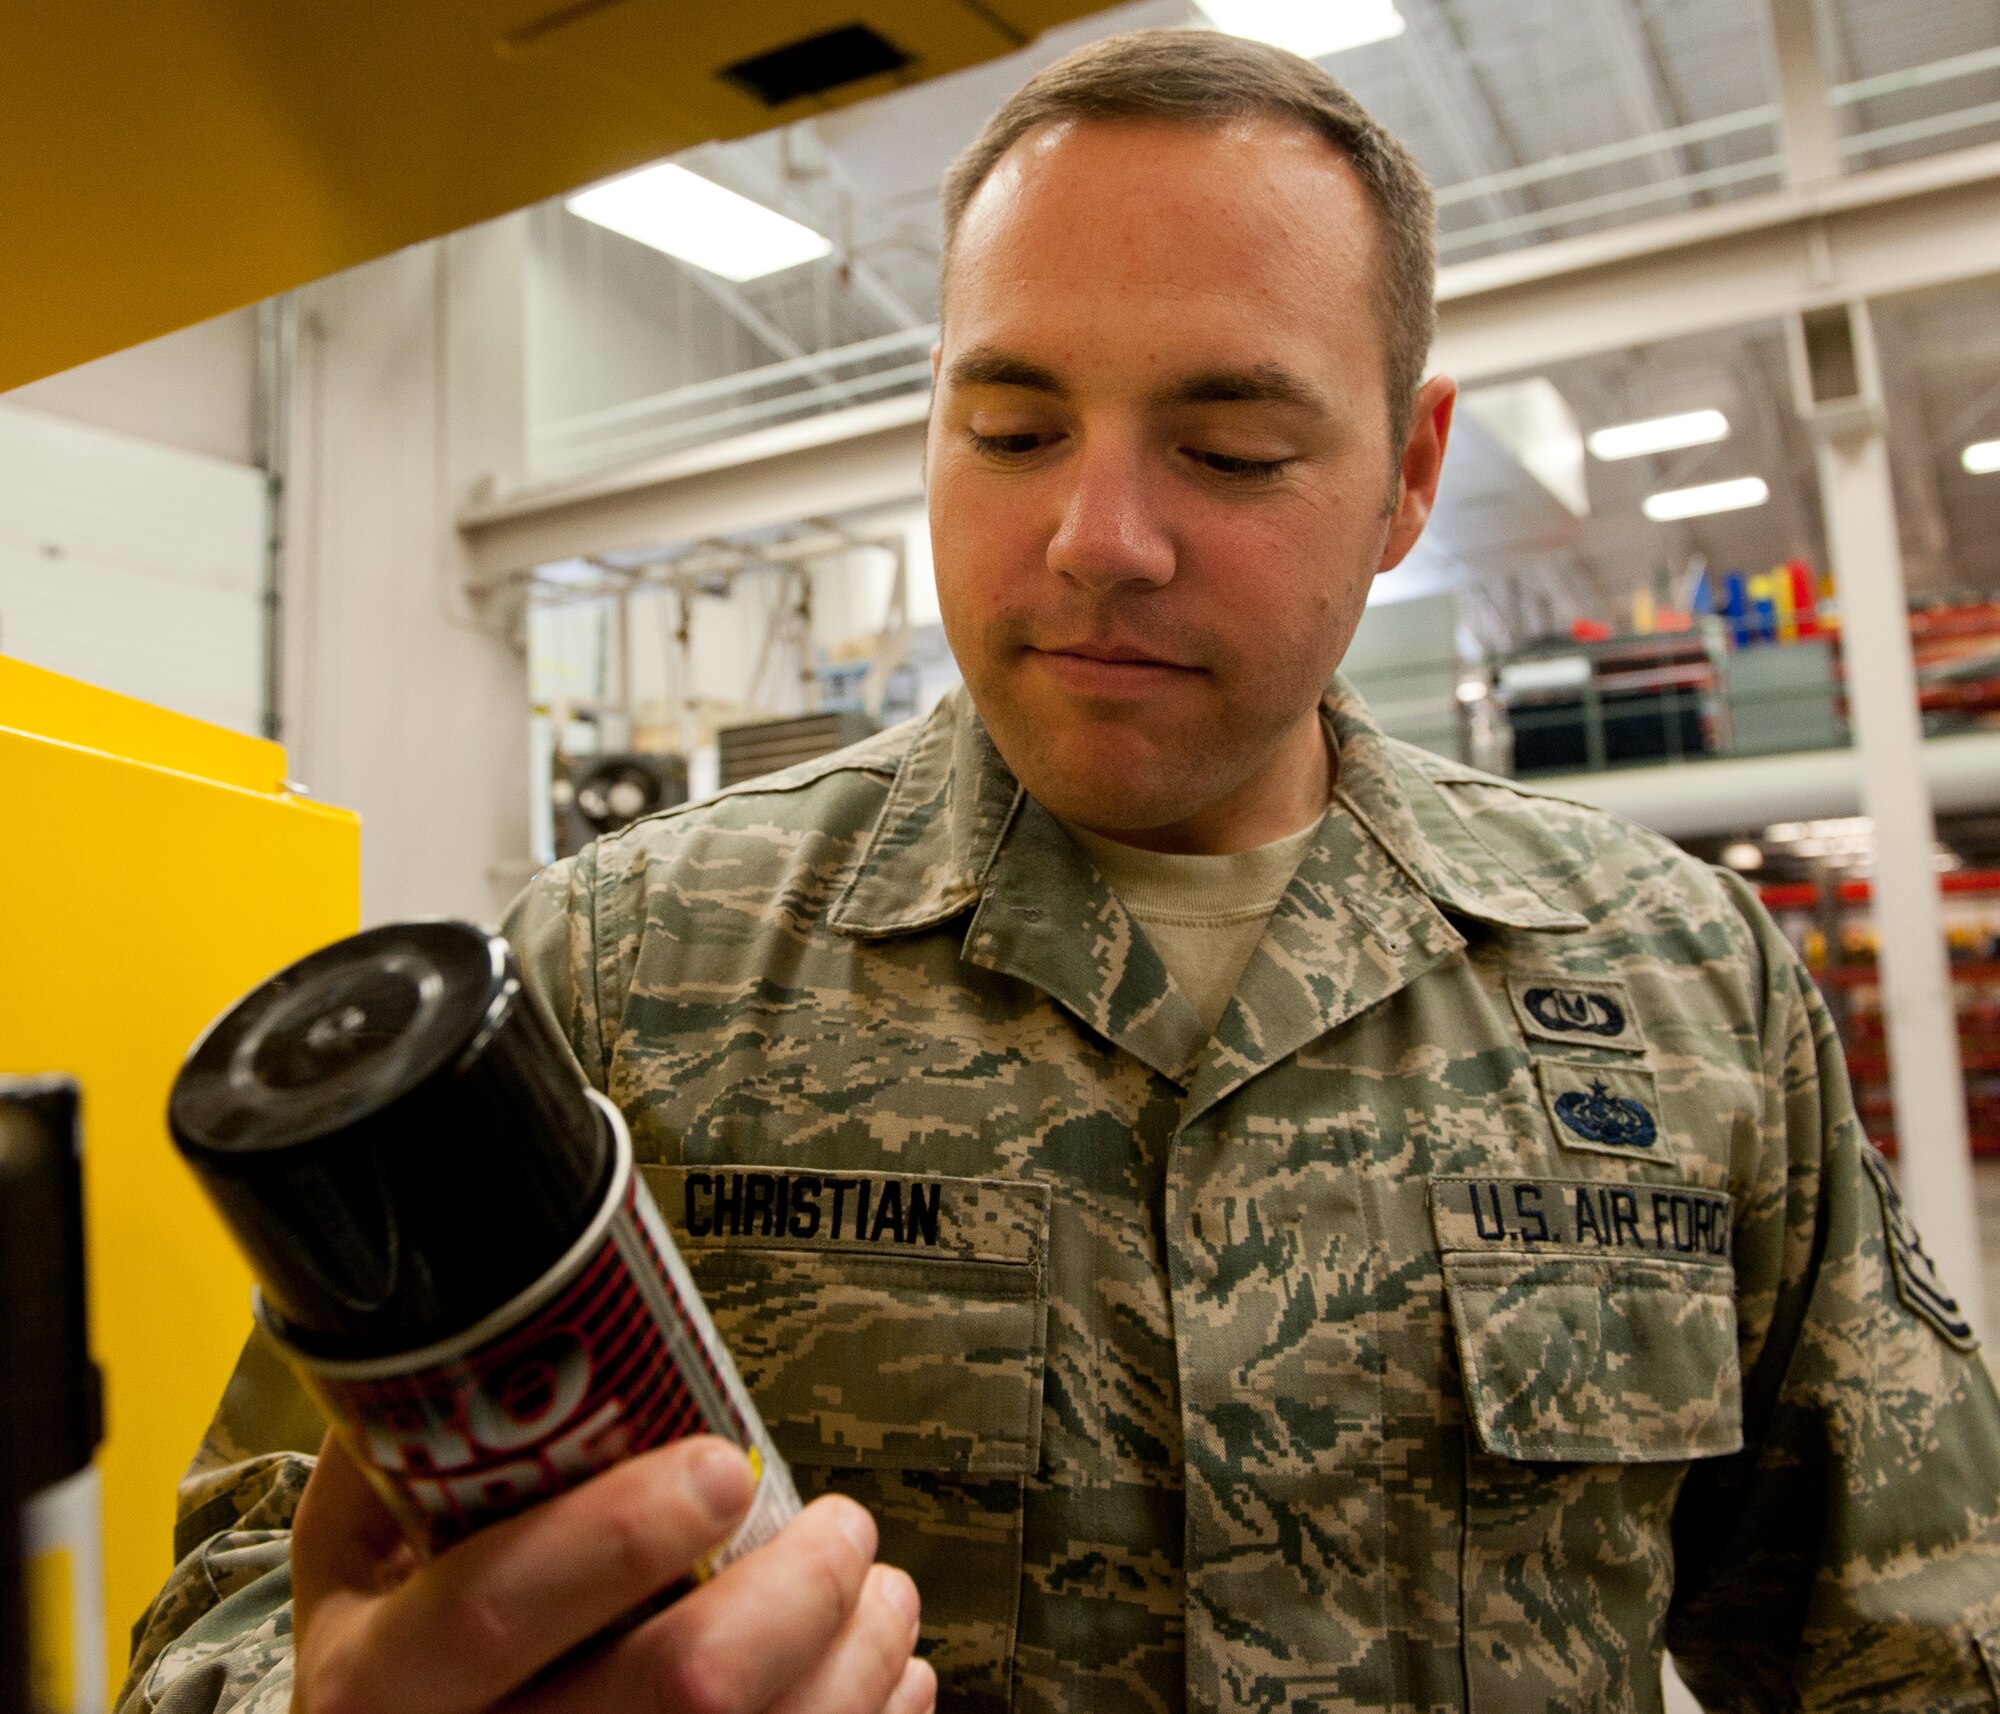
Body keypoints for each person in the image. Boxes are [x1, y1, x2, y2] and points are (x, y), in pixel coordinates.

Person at [123, 27, 2000, 1714]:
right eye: (1011, 430)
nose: (1100, 538)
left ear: (1411, 474)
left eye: (1234, 446)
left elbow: (1921, 1635)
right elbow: (233, 1600)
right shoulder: (626, 976)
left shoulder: (1682, 989)